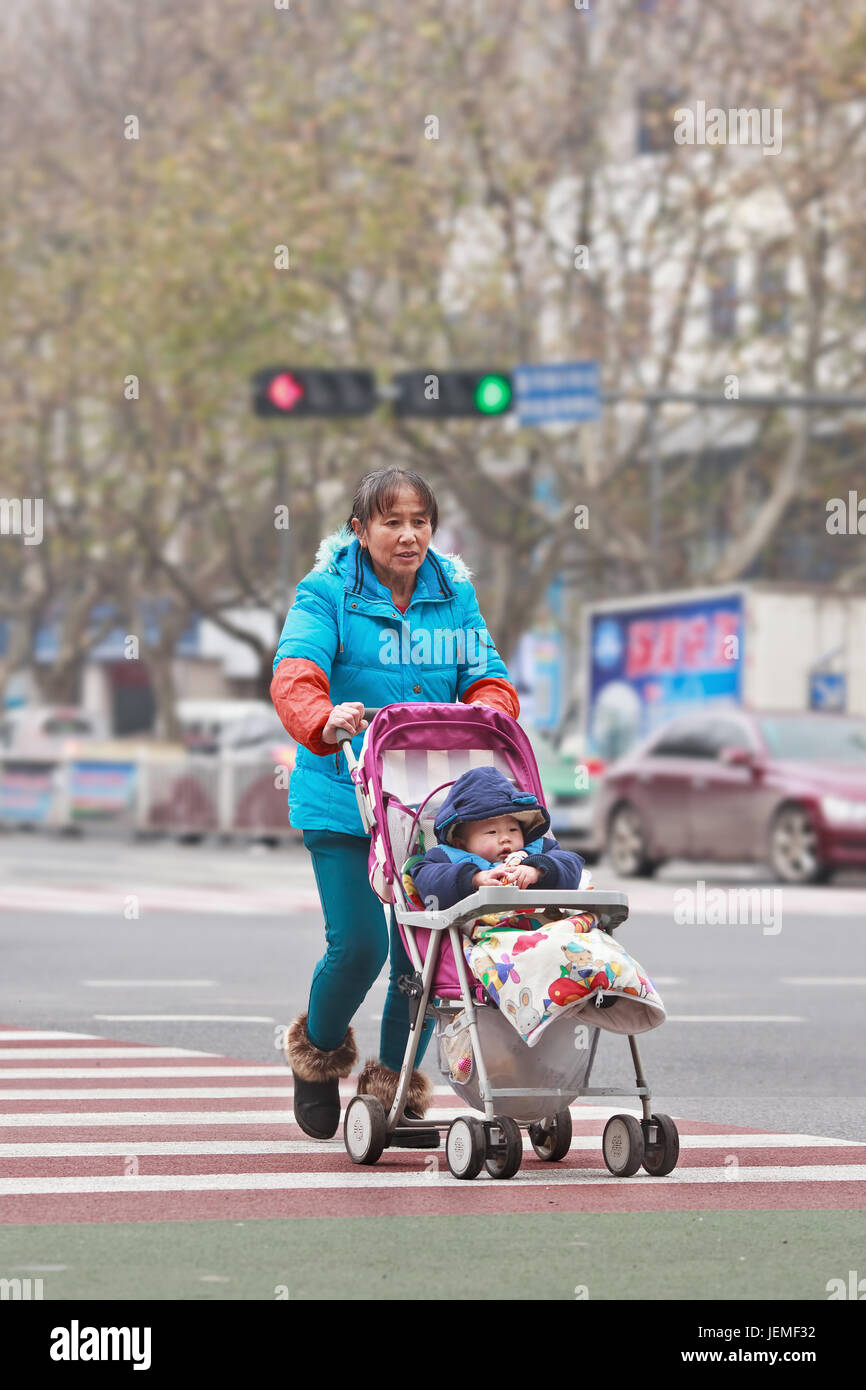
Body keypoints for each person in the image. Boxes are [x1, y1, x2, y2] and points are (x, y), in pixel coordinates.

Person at [270, 467, 520, 1141]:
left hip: (428, 803)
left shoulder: (454, 595)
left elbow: (486, 674)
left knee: (420, 955)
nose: (409, 536)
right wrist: (323, 718)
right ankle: (316, 1055)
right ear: (360, 530)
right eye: (391, 522)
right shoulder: (325, 593)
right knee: (357, 947)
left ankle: (388, 1093)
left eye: (420, 522)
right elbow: (296, 672)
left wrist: (491, 711)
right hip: (342, 795)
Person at [410, 766, 585, 911]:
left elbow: (572, 864)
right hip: (480, 936)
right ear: (460, 842)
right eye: (491, 832)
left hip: (542, 928)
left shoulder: (539, 849)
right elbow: (427, 881)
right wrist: (473, 879)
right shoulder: (447, 857)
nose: (505, 838)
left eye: (513, 829)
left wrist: (539, 871)